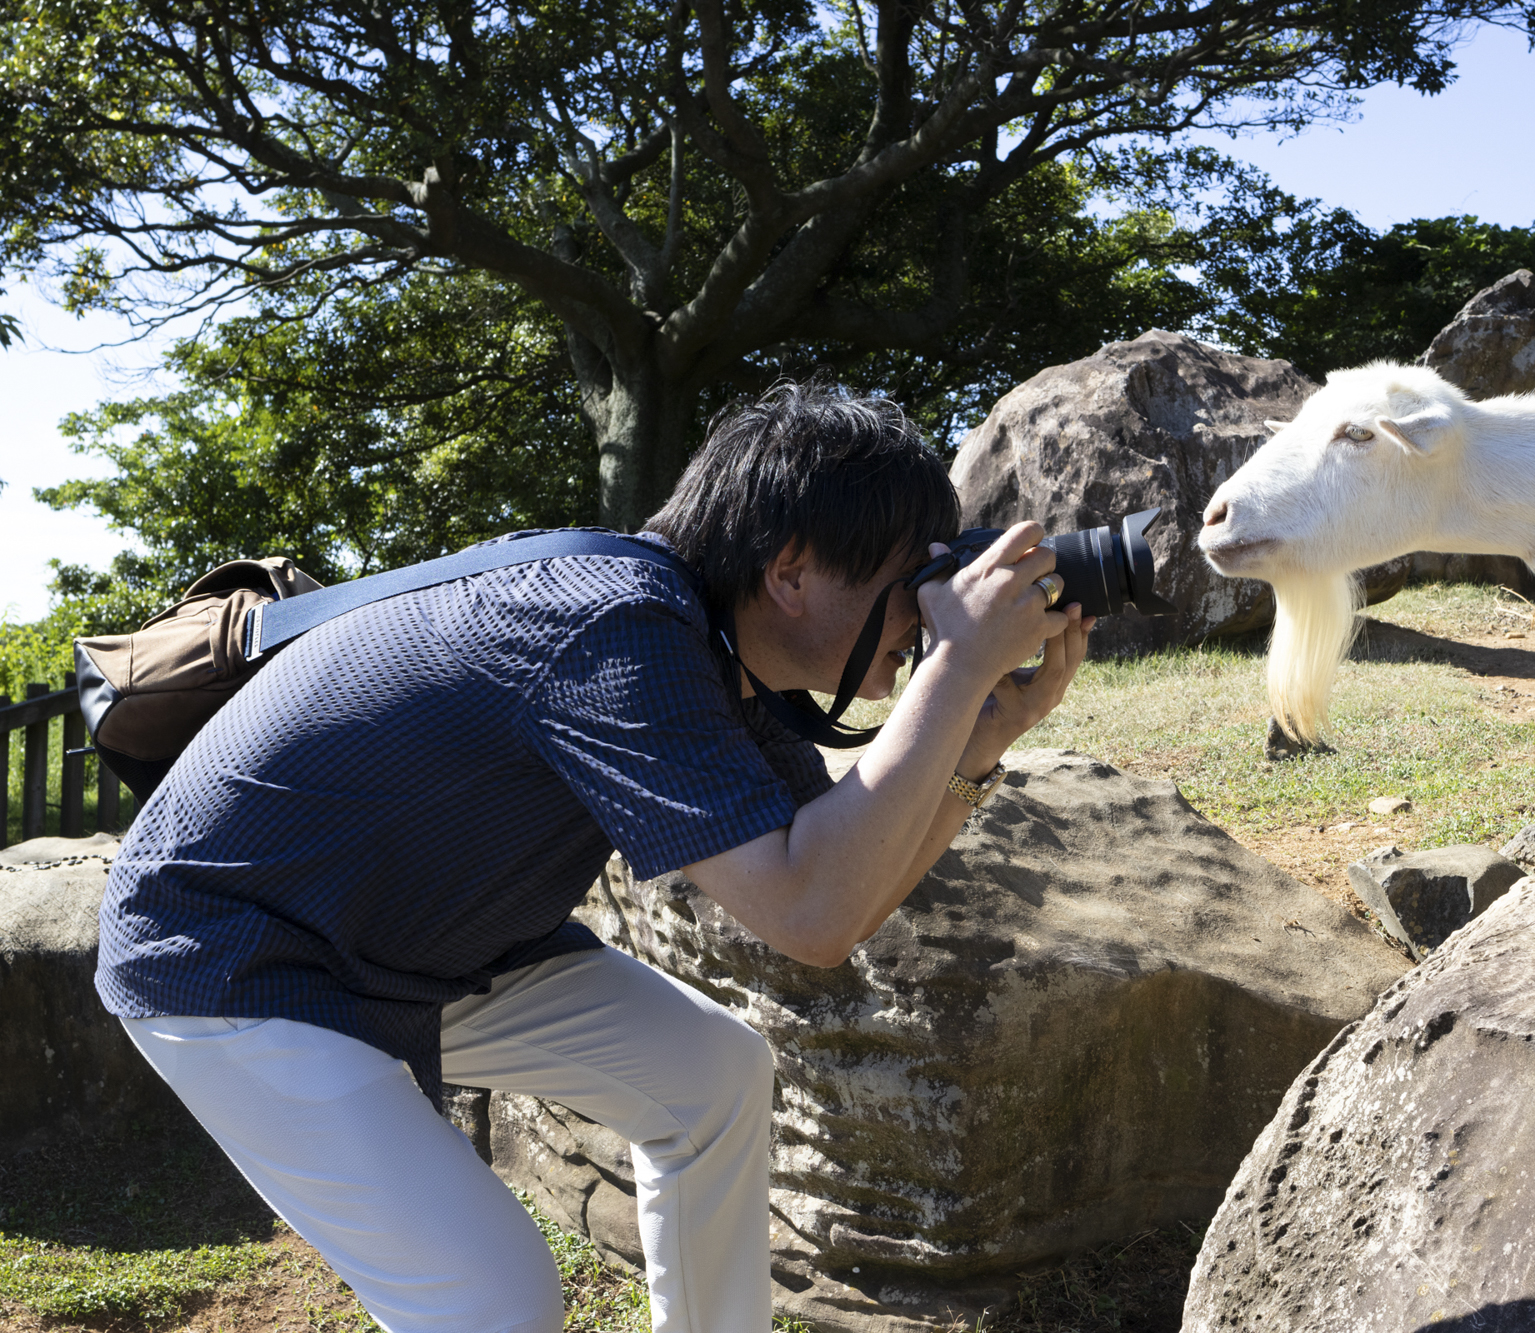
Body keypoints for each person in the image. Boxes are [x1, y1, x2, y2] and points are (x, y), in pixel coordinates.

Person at [95, 381, 1094, 1333]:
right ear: (788, 572)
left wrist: (976, 738)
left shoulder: (712, 642)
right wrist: (960, 664)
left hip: (409, 940)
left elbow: (846, 895)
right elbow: (811, 911)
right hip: (235, 954)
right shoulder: (618, 628)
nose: (926, 615)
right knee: (492, 1301)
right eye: (906, 584)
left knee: (709, 1074)